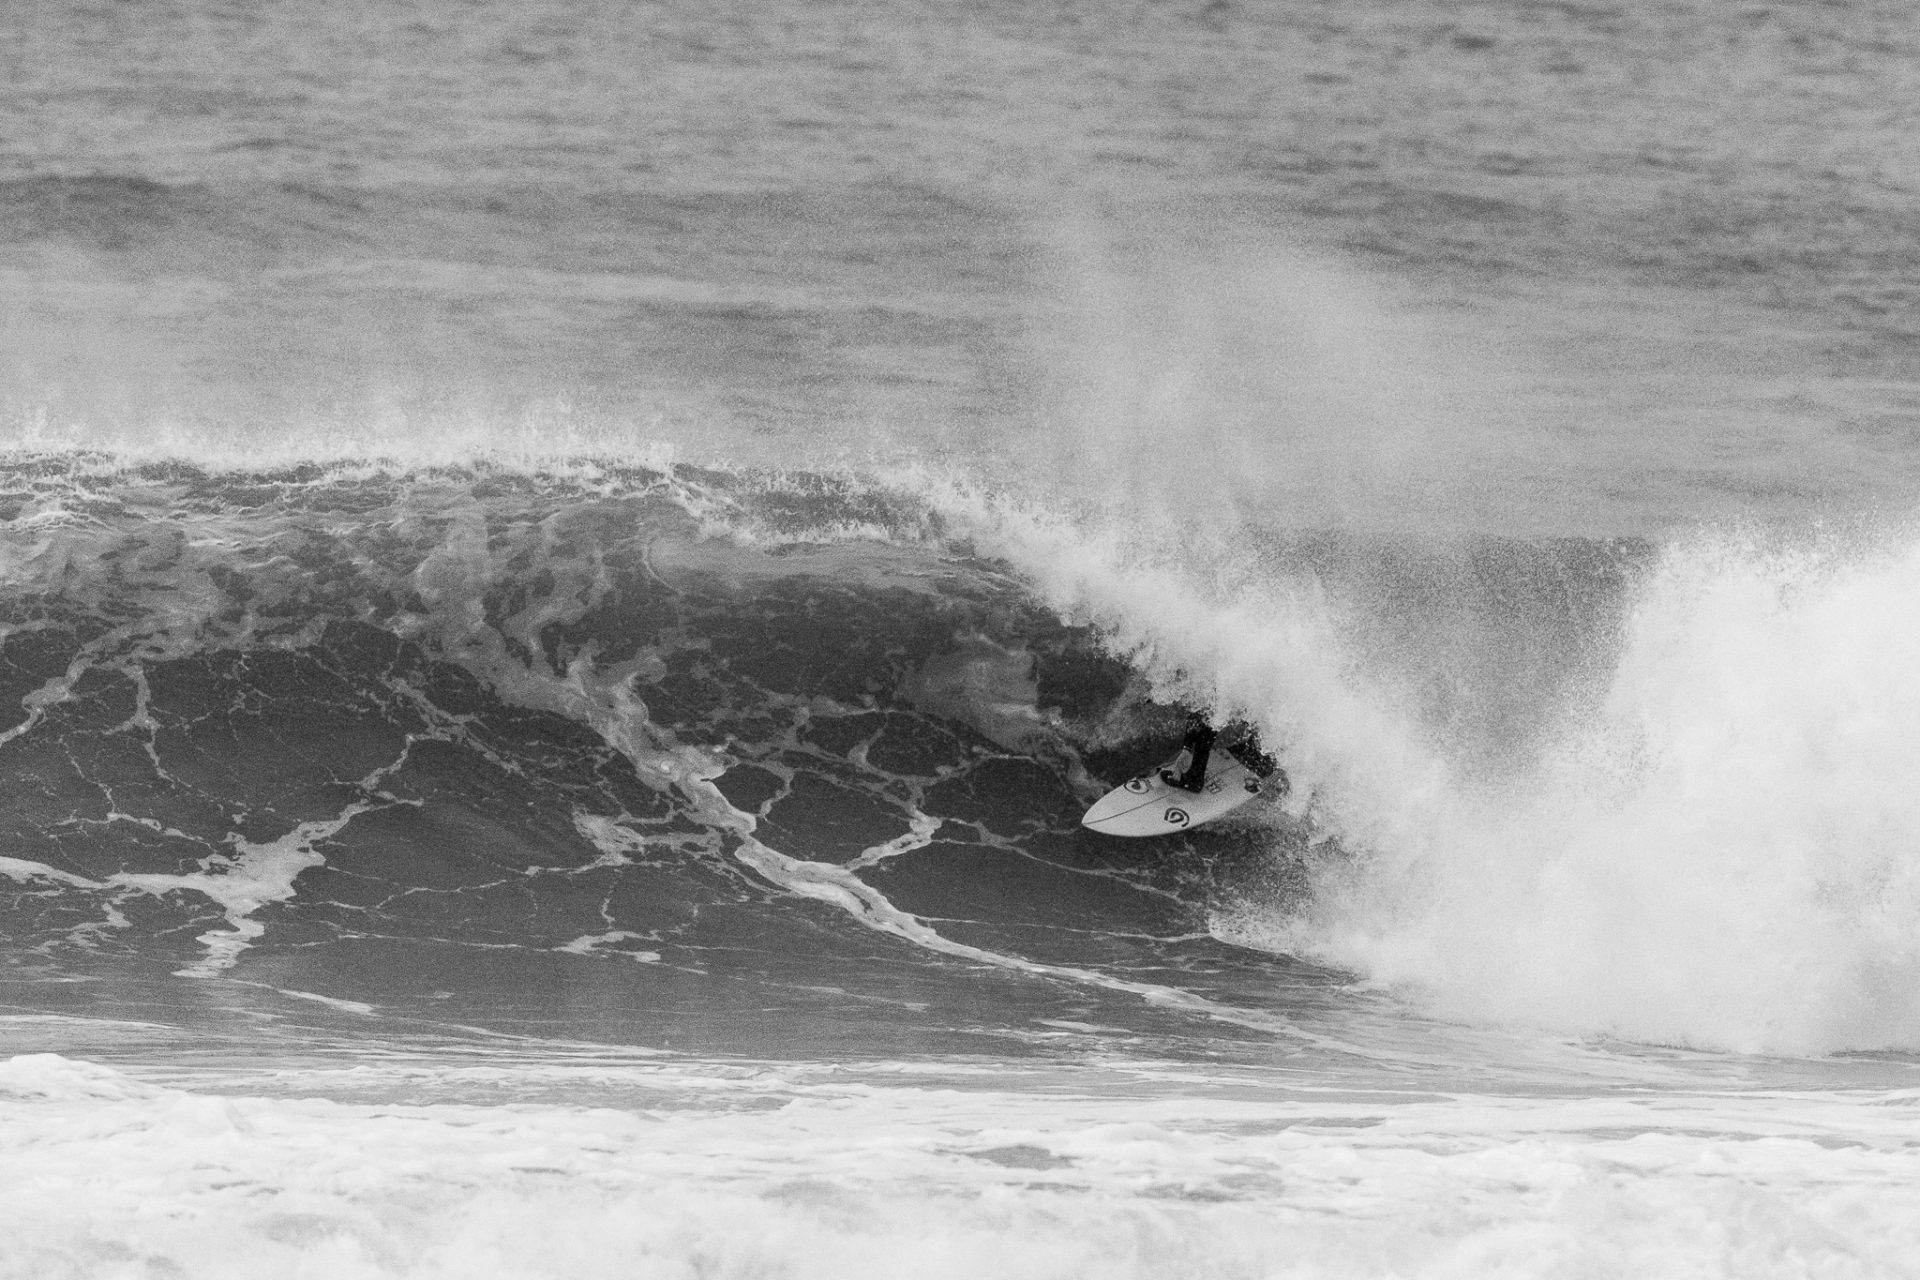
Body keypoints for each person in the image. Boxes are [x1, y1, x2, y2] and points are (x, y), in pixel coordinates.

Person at [1162, 712, 1282, 793]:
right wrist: (1187, 747)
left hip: (1264, 743)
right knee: (1207, 720)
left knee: (1208, 726)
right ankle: (1195, 776)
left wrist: (1187, 748)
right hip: (1250, 736)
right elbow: (1199, 711)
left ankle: (1195, 779)